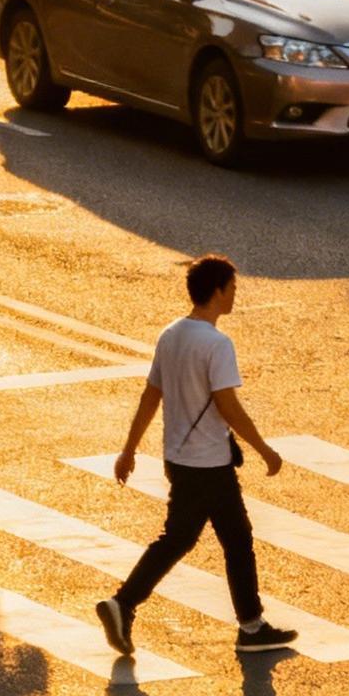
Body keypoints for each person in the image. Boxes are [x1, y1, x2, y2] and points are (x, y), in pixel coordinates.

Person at [95, 254, 298, 661]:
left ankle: (246, 623)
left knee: (190, 538)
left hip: (179, 459)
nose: (235, 296)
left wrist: (129, 450)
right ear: (218, 291)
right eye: (233, 289)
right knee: (230, 541)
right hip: (209, 463)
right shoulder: (216, 344)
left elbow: (151, 395)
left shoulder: (171, 335)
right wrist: (265, 450)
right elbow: (228, 405)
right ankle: (247, 626)